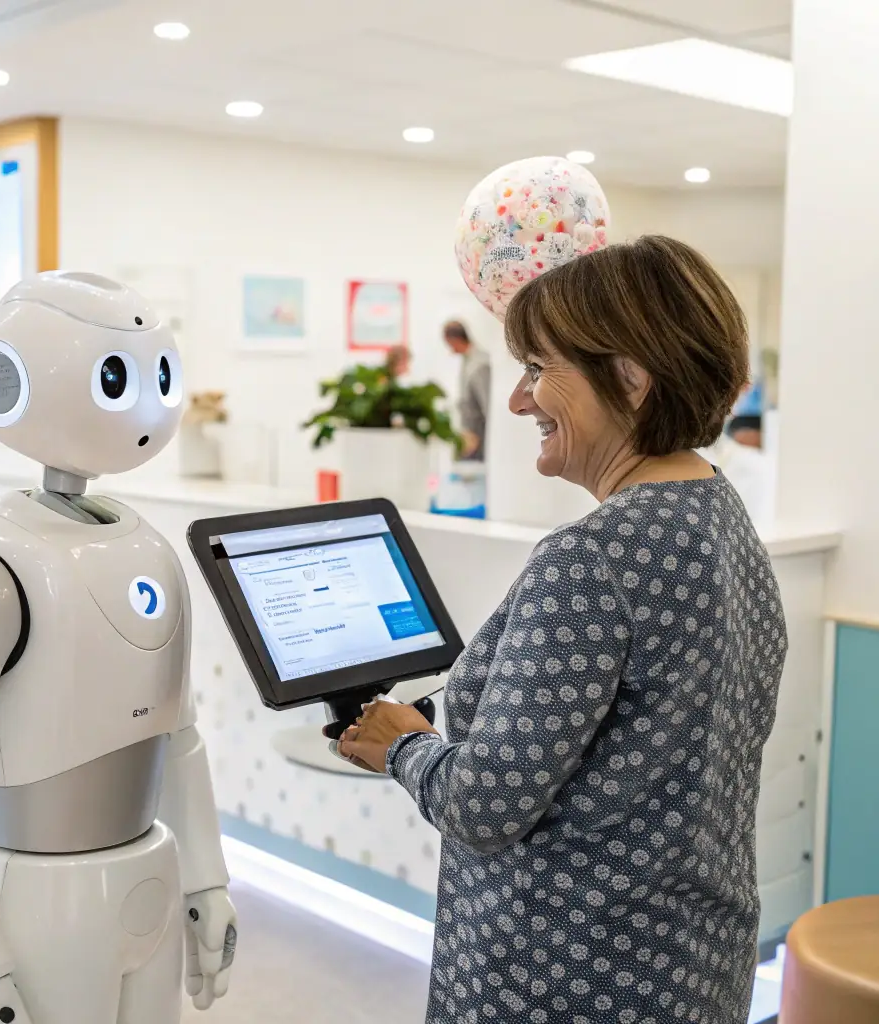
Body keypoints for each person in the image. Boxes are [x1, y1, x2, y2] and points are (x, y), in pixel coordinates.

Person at [337, 235, 787, 1024]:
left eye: (538, 369)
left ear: (630, 380)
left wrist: (401, 745)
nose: (517, 401)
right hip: (693, 959)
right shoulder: (718, 512)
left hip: (566, 973)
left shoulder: (592, 558)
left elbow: (483, 805)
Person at [443, 319, 490, 460]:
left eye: (449, 343)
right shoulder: (467, 360)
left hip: (478, 436)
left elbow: (486, 405)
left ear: (455, 340)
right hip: (468, 434)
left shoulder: (479, 364)